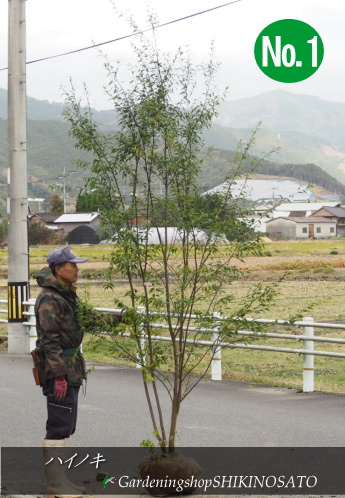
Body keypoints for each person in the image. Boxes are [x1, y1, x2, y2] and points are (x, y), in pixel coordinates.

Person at [35, 246, 93, 497]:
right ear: (59, 269)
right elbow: (49, 340)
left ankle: (60, 481)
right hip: (60, 369)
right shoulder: (50, 298)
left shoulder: (66, 294)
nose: (77, 270)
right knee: (59, 426)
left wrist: (122, 317)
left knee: (66, 425)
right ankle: (55, 485)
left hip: (70, 368)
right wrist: (58, 375)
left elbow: (85, 319)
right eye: (73, 266)